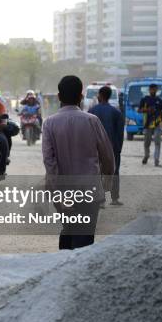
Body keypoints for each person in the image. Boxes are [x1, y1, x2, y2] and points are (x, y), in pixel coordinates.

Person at [42, 75, 115, 250]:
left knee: (68, 229)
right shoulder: (92, 121)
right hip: (90, 191)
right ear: (81, 96)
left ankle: (64, 268)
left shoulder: (49, 123)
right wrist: (106, 182)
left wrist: (55, 192)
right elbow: (108, 156)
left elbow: (49, 163)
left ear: (59, 97)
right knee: (84, 237)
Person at [89, 86, 125, 206]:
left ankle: (100, 200)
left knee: (97, 172)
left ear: (100, 95)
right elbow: (120, 133)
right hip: (113, 147)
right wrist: (118, 149)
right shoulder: (116, 113)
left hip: (95, 148)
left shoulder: (92, 111)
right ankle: (114, 199)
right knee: (114, 172)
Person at [138, 83, 162, 167]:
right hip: (147, 124)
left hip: (157, 124)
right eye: (152, 89)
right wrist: (147, 109)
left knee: (157, 143)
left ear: (157, 90)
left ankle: (156, 161)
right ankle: (146, 156)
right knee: (146, 143)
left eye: (155, 89)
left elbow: (161, 113)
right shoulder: (144, 99)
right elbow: (139, 110)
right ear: (149, 90)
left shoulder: (160, 100)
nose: (153, 90)